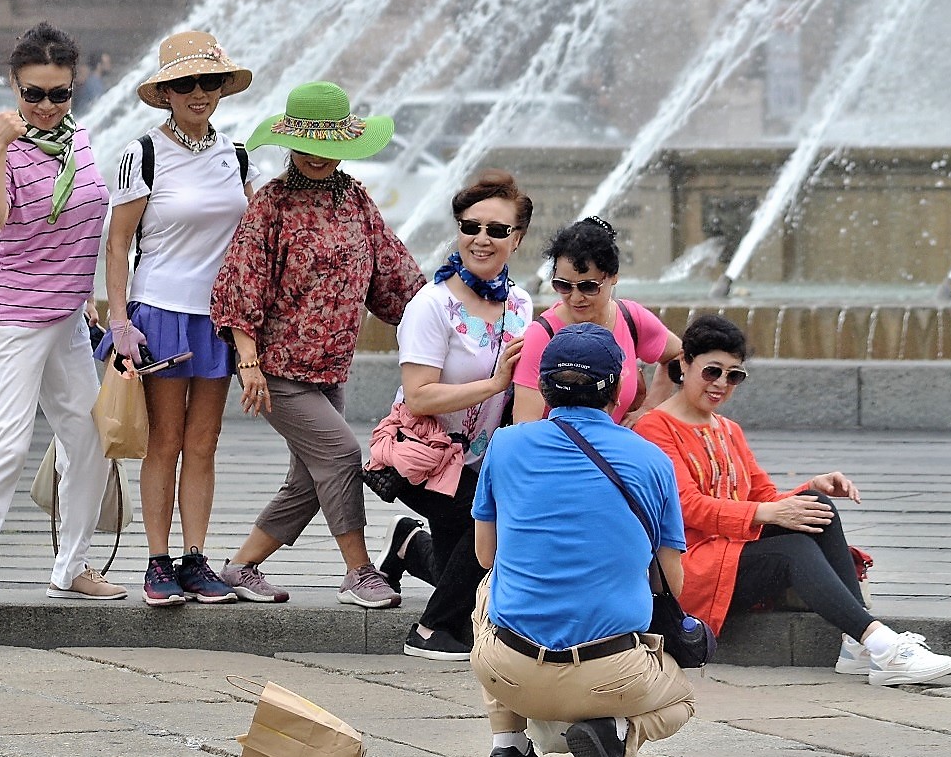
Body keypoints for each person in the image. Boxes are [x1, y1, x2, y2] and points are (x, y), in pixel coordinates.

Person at [0, 21, 126, 627]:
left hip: (65, 317)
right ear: (13, 86)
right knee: (5, 442)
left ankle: (71, 566)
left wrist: (90, 296)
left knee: (90, 438)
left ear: (74, 88)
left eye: (58, 93)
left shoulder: (82, 143)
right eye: (32, 93)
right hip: (10, 316)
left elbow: (87, 225)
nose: (44, 106)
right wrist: (5, 145)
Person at [632, 314, 951, 686]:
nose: (721, 384)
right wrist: (766, 511)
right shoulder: (654, 427)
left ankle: (857, 644)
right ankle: (880, 643)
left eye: (734, 375)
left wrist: (810, 487)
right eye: (712, 371)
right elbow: (687, 507)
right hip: (692, 567)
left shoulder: (728, 429)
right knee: (792, 551)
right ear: (684, 363)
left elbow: (764, 496)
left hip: (734, 550)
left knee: (816, 504)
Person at [210, 80, 425, 607]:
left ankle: (240, 567)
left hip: (330, 369)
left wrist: (449, 314)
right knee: (343, 455)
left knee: (310, 479)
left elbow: (393, 273)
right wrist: (249, 361)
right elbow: (242, 281)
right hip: (278, 368)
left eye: (328, 147)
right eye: (307, 146)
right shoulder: (272, 205)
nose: (317, 158)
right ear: (290, 144)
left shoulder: (355, 199)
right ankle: (360, 571)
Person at [470, 323, 694, 757]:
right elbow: (673, 581)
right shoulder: (652, 460)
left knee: (489, 587)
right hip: (612, 671)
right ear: (618, 390)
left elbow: (485, 554)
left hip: (507, 667)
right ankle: (615, 736)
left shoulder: (505, 445)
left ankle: (508, 747)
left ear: (544, 387)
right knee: (682, 700)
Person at [99, 31, 258, 607]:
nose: (198, 92)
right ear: (165, 92)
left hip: (215, 317)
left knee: (205, 441)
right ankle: (157, 560)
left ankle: (196, 559)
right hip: (161, 311)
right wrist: (120, 322)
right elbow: (117, 245)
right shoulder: (141, 153)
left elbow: (247, 242)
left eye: (208, 81)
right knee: (164, 440)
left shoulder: (236, 155)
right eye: (184, 83)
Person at [374, 171, 533, 660]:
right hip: (421, 461)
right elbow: (419, 397)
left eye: (497, 230)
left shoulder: (521, 304)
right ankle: (431, 631)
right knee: (491, 523)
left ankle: (409, 547)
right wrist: (492, 384)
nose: (481, 239)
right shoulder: (432, 305)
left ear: (517, 238)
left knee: (466, 564)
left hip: (476, 463)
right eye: (471, 226)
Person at [511, 216, 680, 426]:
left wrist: (649, 409)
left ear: (613, 277)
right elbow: (525, 428)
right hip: (559, 454)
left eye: (588, 287)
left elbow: (679, 354)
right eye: (563, 285)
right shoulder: (542, 335)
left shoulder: (631, 318)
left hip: (613, 454)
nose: (575, 298)